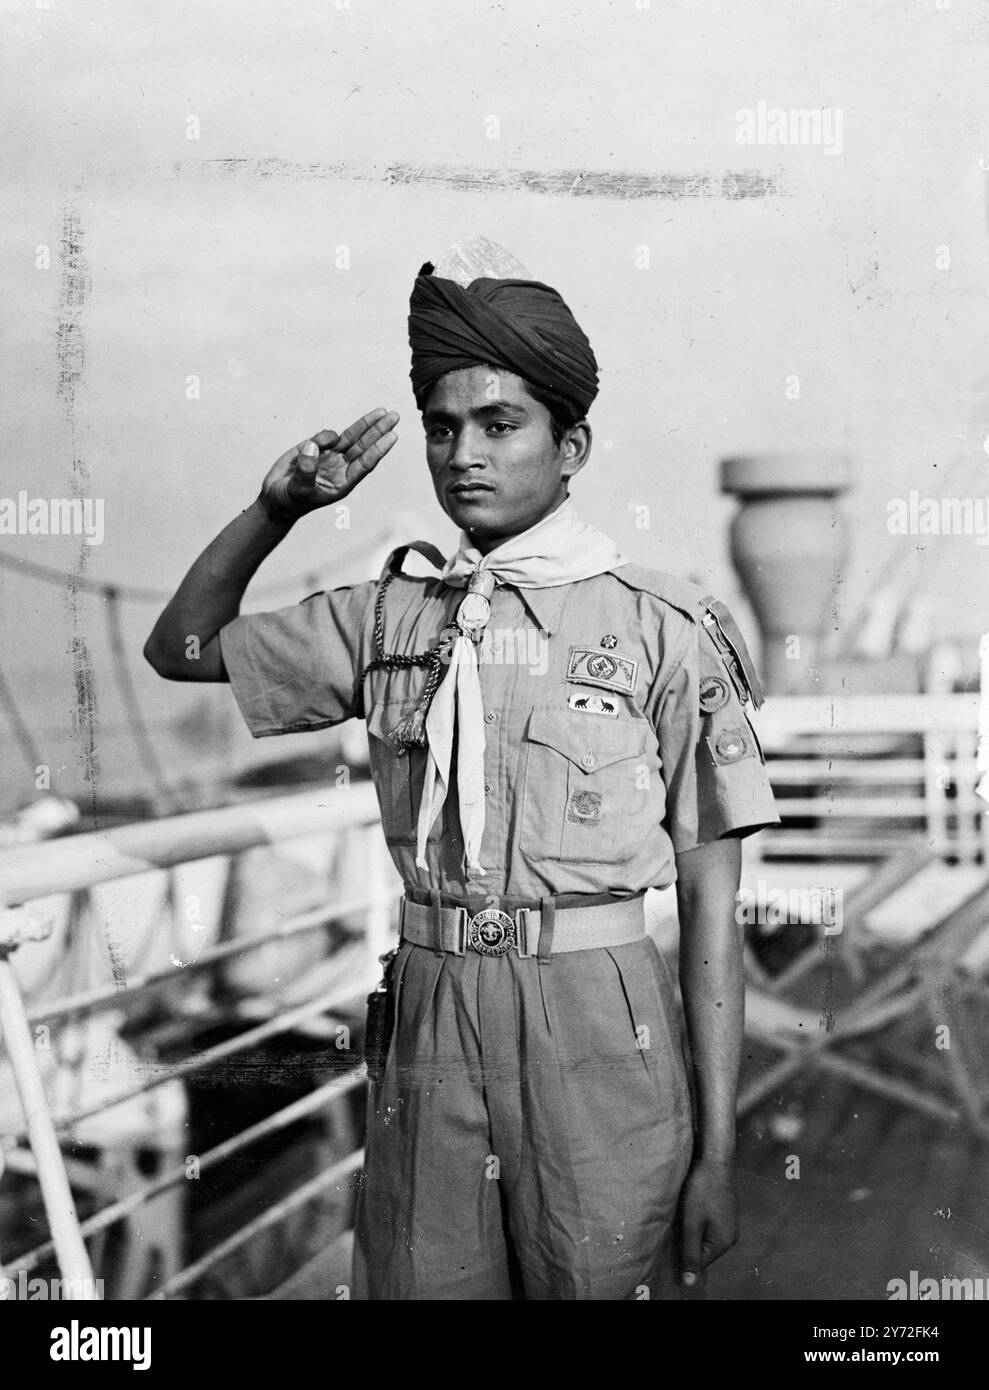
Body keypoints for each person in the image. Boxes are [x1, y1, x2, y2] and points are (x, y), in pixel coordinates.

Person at [144, 263, 779, 1301]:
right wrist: (276, 508)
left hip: (597, 1022)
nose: (462, 454)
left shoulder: (660, 627)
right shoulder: (391, 617)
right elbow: (181, 645)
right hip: (431, 1013)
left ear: (568, 447)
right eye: (442, 428)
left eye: (498, 424)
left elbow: (712, 910)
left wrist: (717, 1152)